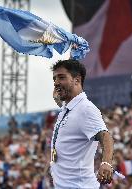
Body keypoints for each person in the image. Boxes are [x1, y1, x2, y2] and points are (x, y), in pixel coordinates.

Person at [49, 59, 114, 188]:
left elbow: (105, 136)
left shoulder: (86, 109)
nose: (56, 82)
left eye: (61, 77)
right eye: (55, 79)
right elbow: (58, 99)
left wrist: (106, 163)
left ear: (77, 80)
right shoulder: (67, 109)